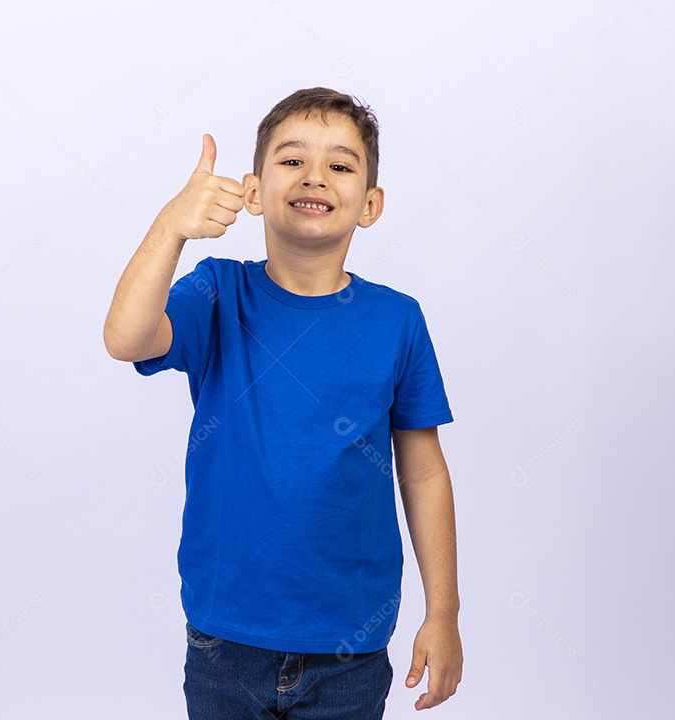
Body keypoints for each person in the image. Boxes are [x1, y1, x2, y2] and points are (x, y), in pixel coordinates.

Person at [104, 87, 463, 718]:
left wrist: (444, 614)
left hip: (349, 649)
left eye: (341, 165)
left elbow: (425, 471)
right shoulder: (218, 292)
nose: (315, 176)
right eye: (292, 160)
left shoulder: (397, 321)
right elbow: (126, 337)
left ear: (370, 204)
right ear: (252, 190)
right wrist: (171, 227)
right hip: (224, 641)